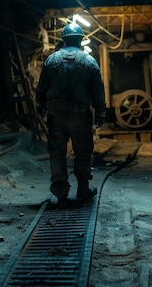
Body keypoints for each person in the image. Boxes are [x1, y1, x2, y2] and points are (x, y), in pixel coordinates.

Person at [35, 23, 107, 206]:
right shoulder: (89, 61)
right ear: (81, 39)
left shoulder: (51, 60)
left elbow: (41, 87)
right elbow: (98, 90)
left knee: (57, 150)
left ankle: (61, 193)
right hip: (80, 114)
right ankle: (82, 188)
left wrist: (40, 106)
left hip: (56, 114)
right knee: (82, 151)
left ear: (63, 39)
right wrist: (101, 112)